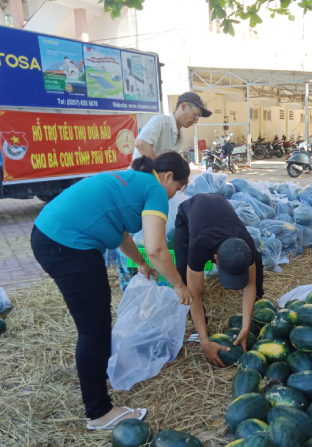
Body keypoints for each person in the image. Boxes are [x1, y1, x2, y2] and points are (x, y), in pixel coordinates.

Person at [31, 152, 193, 431]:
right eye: (177, 188)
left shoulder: (135, 181)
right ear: (168, 177)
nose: (173, 196)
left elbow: (123, 235)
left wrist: (141, 263)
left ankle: (97, 373)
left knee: (96, 324)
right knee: (94, 329)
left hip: (51, 234)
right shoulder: (155, 189)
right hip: (67, 244)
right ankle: (99, 412)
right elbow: (156, 248)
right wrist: (179, 284)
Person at [174, 193, 264, 367]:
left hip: (219, 207)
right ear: (215, 258)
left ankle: (258, 306)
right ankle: (199, 325)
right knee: (183, 272)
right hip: (189, 214)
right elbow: (194, 295)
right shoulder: (199, 245)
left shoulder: (247, 243)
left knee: (258, 262)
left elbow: (251, 284)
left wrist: (245, 327)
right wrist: (205, 341)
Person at [133, 92, 211, 161]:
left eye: (198, 117)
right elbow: (140, 143)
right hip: (138, 176)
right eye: (196, 115)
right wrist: (158, 170)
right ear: (183, 106)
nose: (196, 121)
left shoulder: (179, 134)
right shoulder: (161, 121)